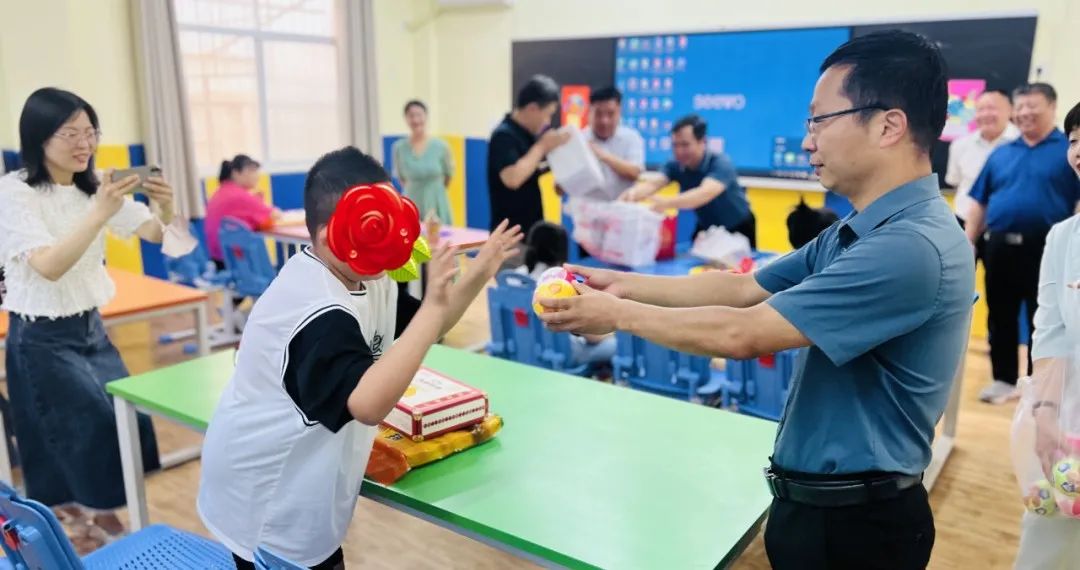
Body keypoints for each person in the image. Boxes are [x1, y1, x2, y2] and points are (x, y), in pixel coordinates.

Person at [538, 31, 973, 569]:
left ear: (889, 125)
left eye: (820, 120)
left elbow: (742, 333)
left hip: (858, 526)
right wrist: (619, 283)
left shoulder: (911, 246)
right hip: (818, 508)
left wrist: (616, 315)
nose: (808, 140)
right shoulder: (857, 229)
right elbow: (742, 287)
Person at [197, 146, 522, 569]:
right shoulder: (311, 307)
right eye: (373, 224)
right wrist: (434, 308)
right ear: (329, 233)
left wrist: (478, 271)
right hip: (268, 500)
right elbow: (368, 403)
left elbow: (425, 325)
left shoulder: (370, 275)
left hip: (308, 481)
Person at [0, 87, 171, 548]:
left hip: (90, 328)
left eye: (90, 132)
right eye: (70, 133)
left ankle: (95, 510)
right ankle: (87, 517)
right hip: (40, 335)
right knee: (75, 428)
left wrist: (165, 204)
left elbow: (159, 234)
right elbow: (49, 266)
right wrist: (99, 213)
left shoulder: (95, 188)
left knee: (123, 419)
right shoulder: (14, 192)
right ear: (39, 138)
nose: (84, 144)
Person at [966, 83, 1080, 404]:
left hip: (1047, 249)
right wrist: (969, 242)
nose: (1026, 112)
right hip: (999, 247)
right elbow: (980, 202)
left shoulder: (1068, 149)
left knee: (1042, 318)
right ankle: (1003, 380)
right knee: (999, 315)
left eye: (1034, 106)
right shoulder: (1001, 153)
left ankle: (1039, 386)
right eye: (1022, 107)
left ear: (1052, 107)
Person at [1013, 100, 1080, 570]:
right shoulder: (1064, 237)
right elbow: (1052, 330)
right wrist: (1045, 414)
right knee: (1050, 541)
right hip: (1072, 423)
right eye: (1075, 140)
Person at [618, 114, 756, 247]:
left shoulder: (721, 163)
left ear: (702, 142)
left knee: (741, 269)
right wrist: (633, 194)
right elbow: (655, 183)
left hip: (737, 227)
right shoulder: (674, 164)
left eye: (685, 145)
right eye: (675, 145)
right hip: (707, 227)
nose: (679, 151)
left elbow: (704, 193)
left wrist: (665, 203)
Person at [518, 221, 616, 368]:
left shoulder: (516, 276)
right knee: (616, 346)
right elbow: (591, 336)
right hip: (563, 354)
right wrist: (609, 333)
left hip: (526, 349)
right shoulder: (562, 286)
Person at [487, 74, 569, 234]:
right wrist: (542, 146)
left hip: (530, 231)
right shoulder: (504, 135)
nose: (548, 122)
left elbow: (533, 169)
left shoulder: (528, 135)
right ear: (532, 108)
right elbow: (512, 178)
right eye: (548, 114)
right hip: (509, 238)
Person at [945, 89, 1019, 231]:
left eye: (992, 108)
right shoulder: (960, 145)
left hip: (1004, 227)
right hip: (962, 221)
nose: (985, 114)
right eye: (980, 109)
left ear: (1010, 110)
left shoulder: (1021, 143)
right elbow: (955, 183)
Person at [205, 154, 276, 271]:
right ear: (236, 173)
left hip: (219, 260)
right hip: (238, 263)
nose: (256, 176)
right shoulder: (239, 196)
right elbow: (272, 215)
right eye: (251, 171)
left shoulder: (221, 192)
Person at [392, 100, 454, 223]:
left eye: (419, 115)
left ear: (426, 116)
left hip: (436, 201)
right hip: (411, 201)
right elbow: (401, 178)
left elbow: (448, 176)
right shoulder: (399, 148)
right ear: (406, 119)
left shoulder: (441, 146)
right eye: (411, 116)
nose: (415, 120)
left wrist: (434, 189)